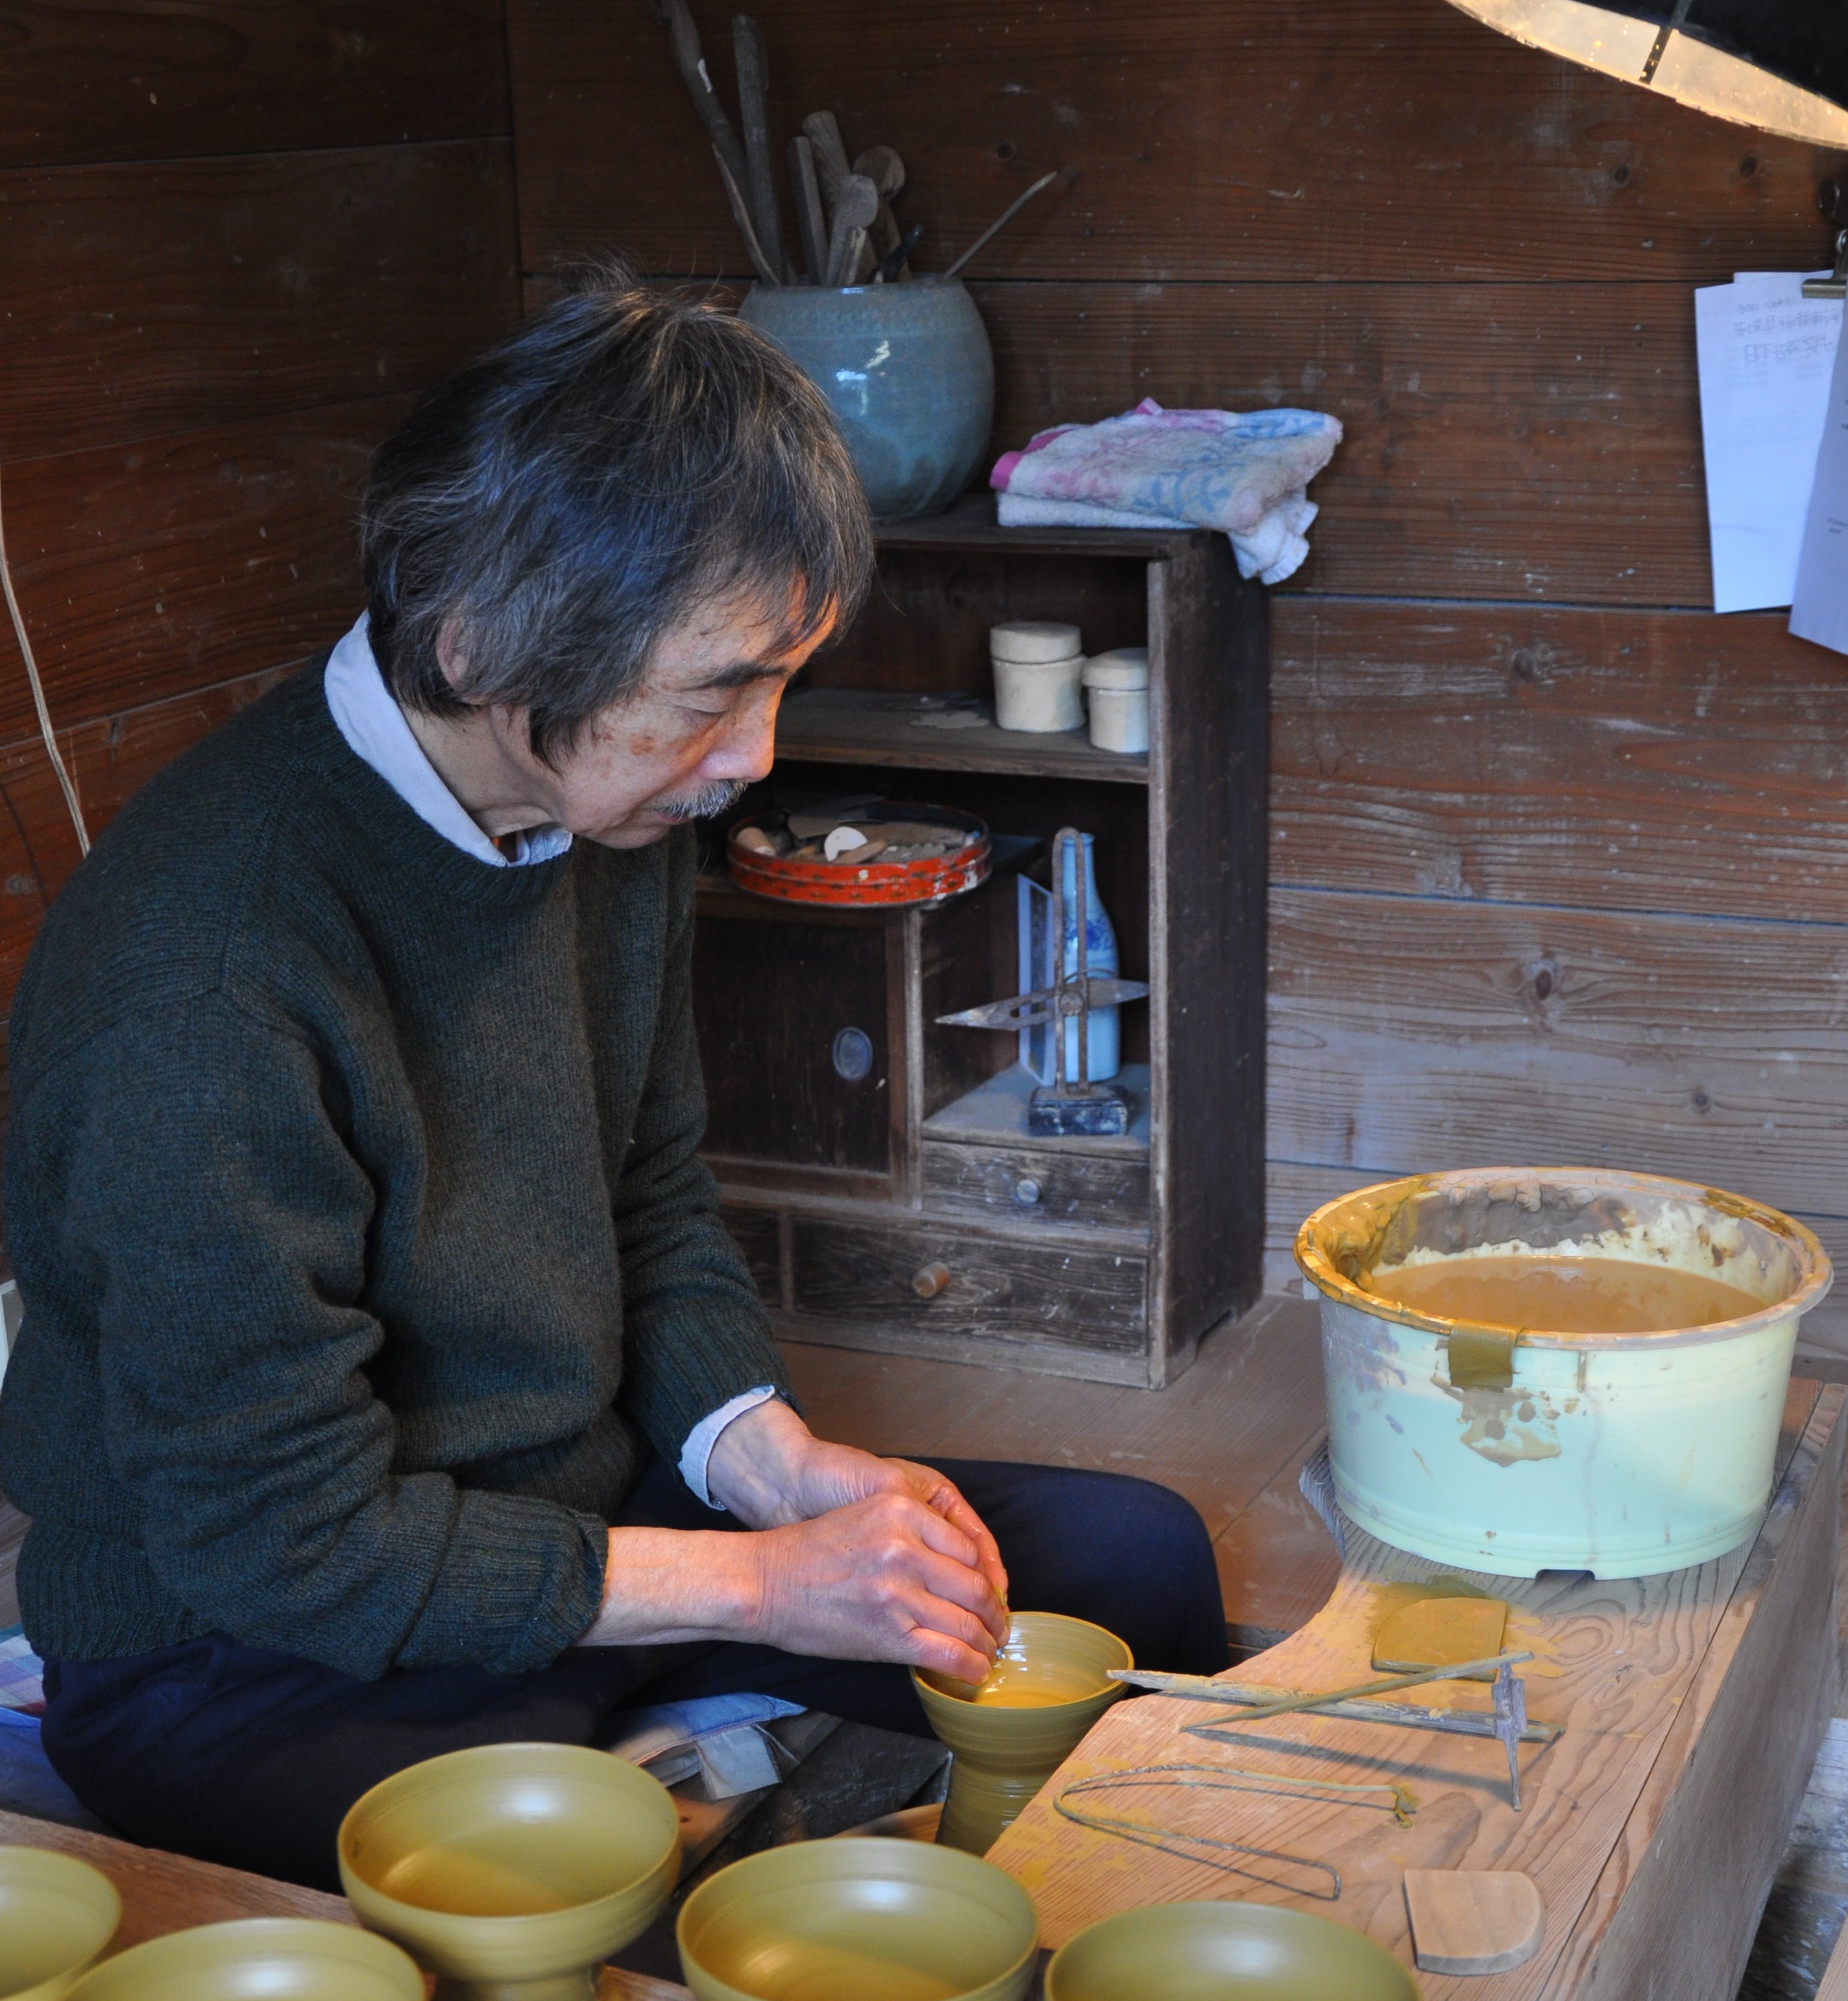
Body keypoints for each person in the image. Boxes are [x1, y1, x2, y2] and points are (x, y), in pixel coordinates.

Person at [0, 268, 1226, 1892]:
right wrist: (759, 1588)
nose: (754, 758)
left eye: (777, 680)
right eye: (718, 689)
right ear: (485, 648)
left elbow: (648, 1195)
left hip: (576, 1521)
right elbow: (289, 1543)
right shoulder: (203, 990)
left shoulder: (602, 802)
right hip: (250, 1646)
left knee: (1132, 1563)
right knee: (566, 1916)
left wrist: (779, 1471)